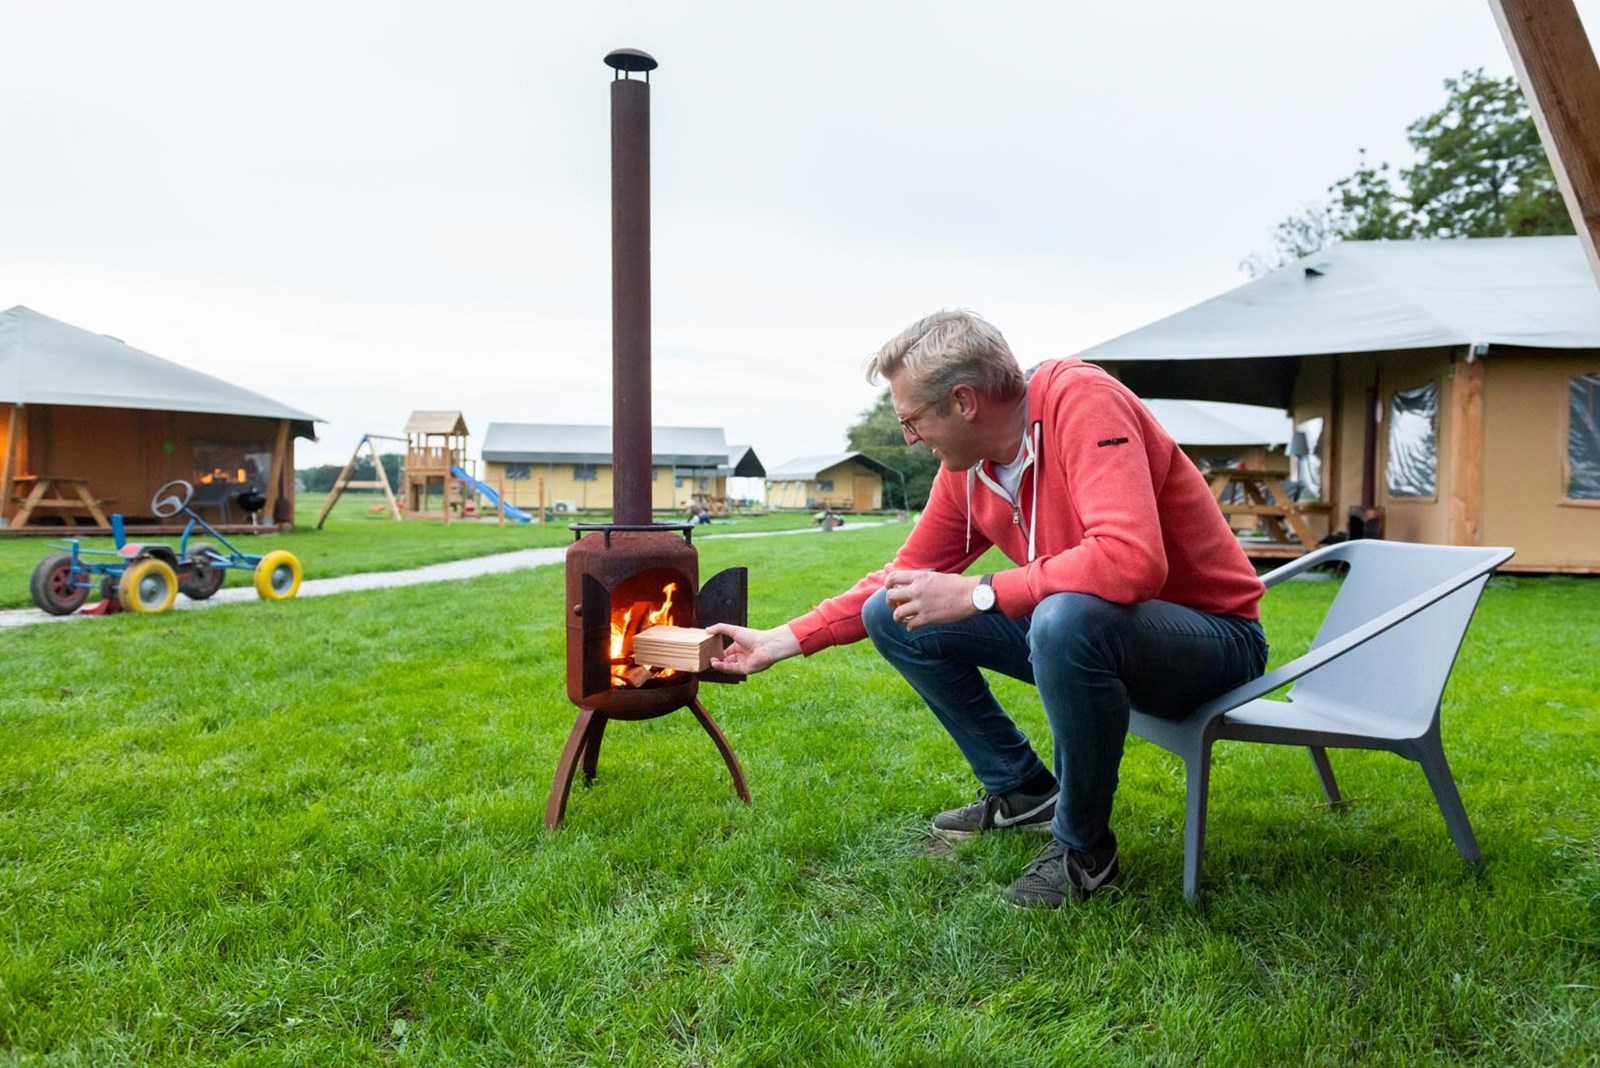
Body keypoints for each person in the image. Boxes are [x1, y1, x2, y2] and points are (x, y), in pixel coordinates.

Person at [707, 310, 1267, 908]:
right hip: (1097, 638)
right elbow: (902, 577)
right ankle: (1023, 790)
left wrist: (980, 593)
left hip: (1214, 644)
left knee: (1065, 618)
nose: (909, 439)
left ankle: (1083, 852)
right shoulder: (969, 470)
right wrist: (783, 639)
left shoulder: (1084, 401)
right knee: (890, 614)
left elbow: (1131, 562)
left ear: (964, 402)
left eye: (912, 420)